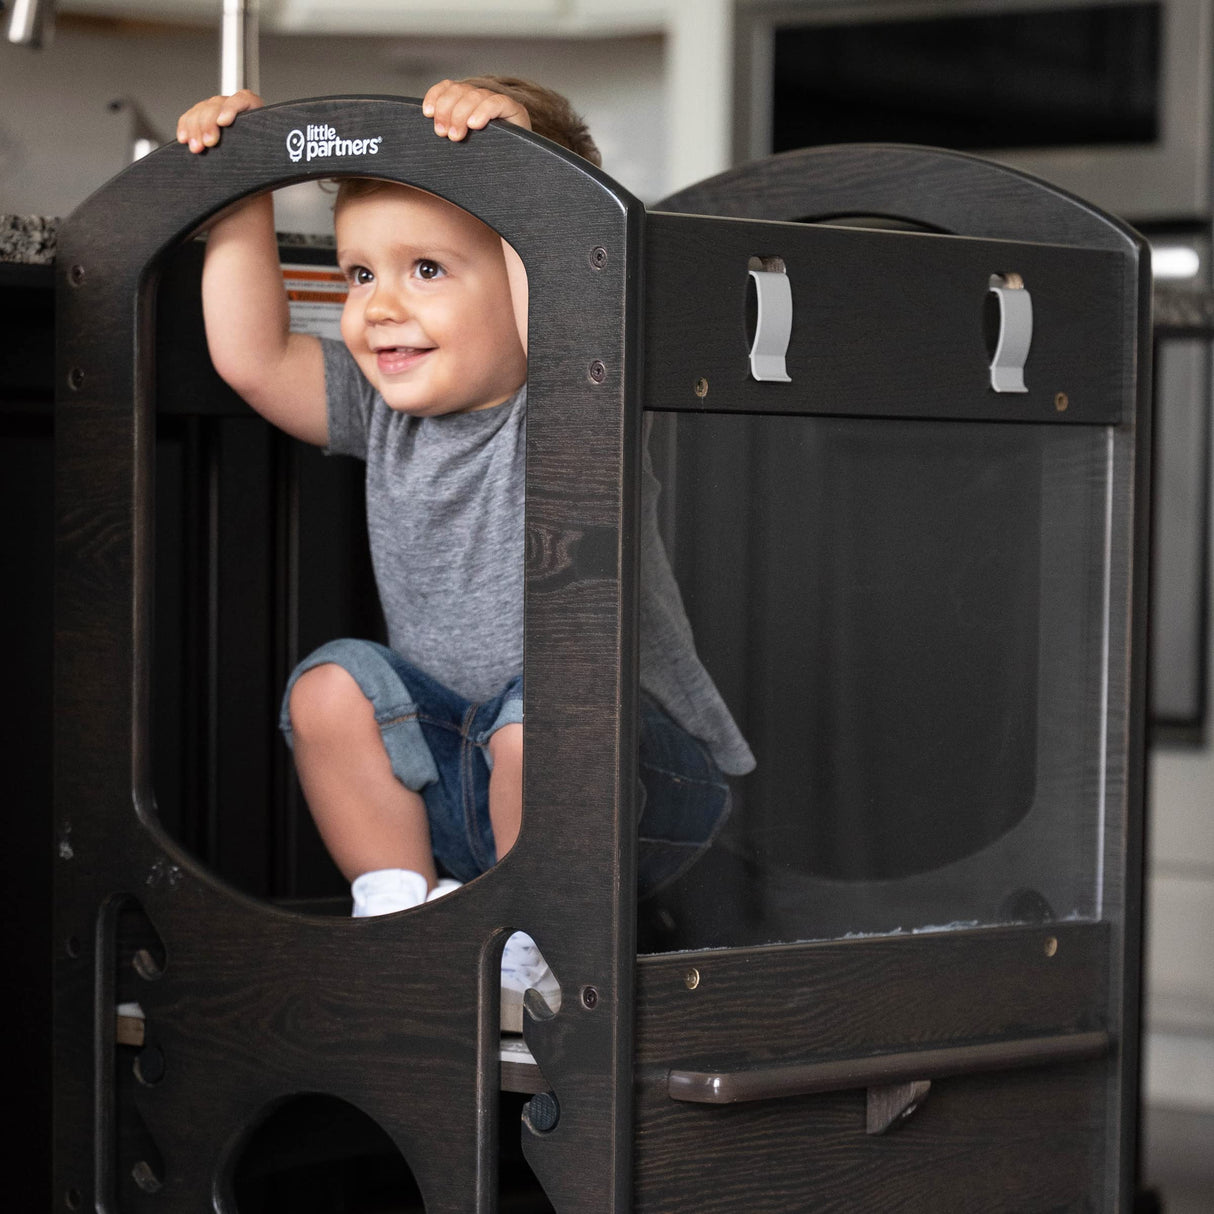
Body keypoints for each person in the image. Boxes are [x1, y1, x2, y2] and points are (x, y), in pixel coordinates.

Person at [176, 77, 754, 1032]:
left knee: (542, 716)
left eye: (428, 271)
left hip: (638, 786)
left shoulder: (580, 393)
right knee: (332, 685)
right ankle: (404, 919)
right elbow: (251, 357)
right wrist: (241, 194)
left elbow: (569, 294)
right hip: (464, 783)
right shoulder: (381, 414)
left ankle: (535, 948)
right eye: (361, 275)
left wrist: (529, 178)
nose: (379, 308)